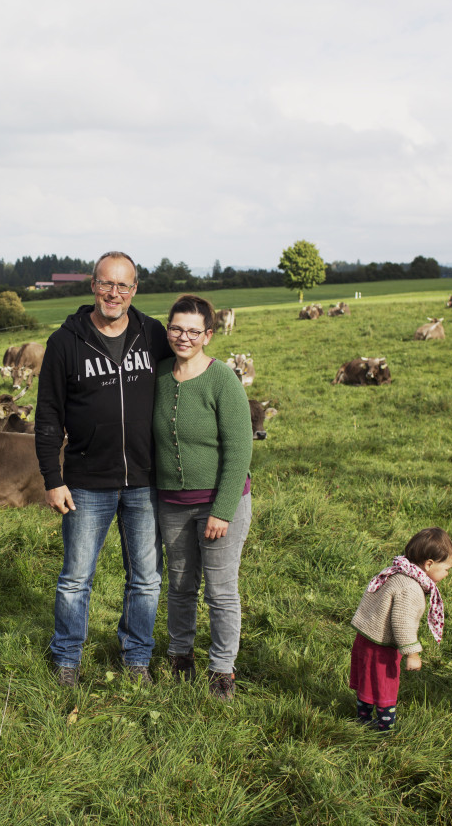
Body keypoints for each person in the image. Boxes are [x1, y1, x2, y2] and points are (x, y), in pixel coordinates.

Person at [35, 251, 173, 688]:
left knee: (147, 580)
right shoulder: (65, 342)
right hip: (86, 482)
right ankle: (66, 659)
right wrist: (52, 479)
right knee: (76, 578)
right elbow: (48, 416)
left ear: (135, 290)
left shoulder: (152, 334)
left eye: (124, 285)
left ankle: (136, 658)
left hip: (146, 481)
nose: (114, 293)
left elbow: (186, 377)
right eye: (106, 284)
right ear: (93, 285)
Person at [152, 294, 253, 700]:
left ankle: (222, 669)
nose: (184, 337)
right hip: (172, 504)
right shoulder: (159, 376)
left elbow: (239, 449)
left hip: (218, 504)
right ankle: (180, 657)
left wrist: (222, 509)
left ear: (208, 335)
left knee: (220, 590)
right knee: (178, 584)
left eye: (194, 331)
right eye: (176, 328)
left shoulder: (222, 379)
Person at [349, 528, 452, 731]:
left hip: (366, 636)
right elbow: (402, 623)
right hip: (381, 645)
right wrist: (412, 653)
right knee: (384, 685)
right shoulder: (411, 588)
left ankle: (362, 719)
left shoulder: (398, 571)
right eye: (446, 568)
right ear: (429, 564)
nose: (447, 573)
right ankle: (384, 728)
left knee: (367, 679)